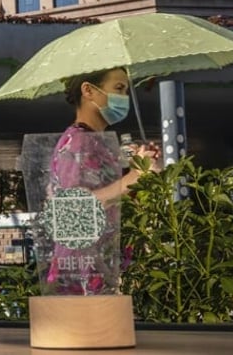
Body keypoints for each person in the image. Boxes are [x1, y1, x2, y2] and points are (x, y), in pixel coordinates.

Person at [40, 67, 162, 295]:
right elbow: (73, 207)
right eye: (118, 88)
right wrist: (133, 178)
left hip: (95, 271)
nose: (124, 98)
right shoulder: (79, 142)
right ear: (88, 90)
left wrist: (141, 170)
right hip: (83, 278)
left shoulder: (95, 143)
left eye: (126, 90)